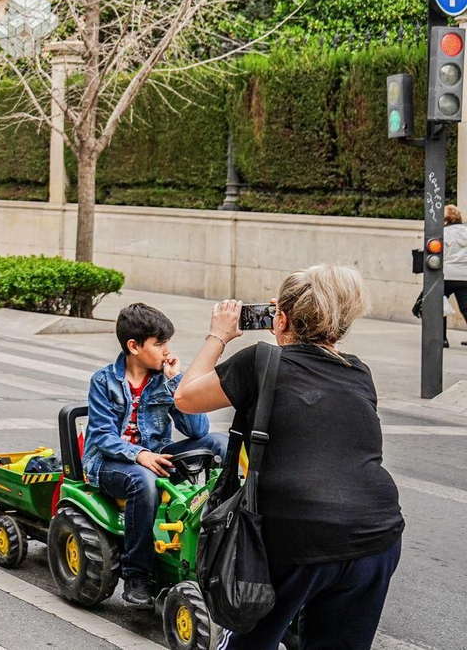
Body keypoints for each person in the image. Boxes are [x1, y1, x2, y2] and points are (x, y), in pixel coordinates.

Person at [175, 268, 404, 650]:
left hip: (296, 531)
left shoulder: (259, 361)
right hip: (377, 533)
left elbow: (185, 397)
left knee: (249, 641)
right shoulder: (358, 371)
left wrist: (219, 334)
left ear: (280, 319)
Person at [81, 303, 225, 608]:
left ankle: (224, 530)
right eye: (159, 344)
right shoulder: (104, 382)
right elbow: (102, 437)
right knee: (143, 480)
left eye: (167, 343)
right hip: (110, 464)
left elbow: (197, 430)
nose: (166, 350)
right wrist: (139, 454)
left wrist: (177, 383)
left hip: (157, 456)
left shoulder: (164, 379)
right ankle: (137, 574)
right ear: (134, 346)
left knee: (217, 443)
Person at [442, 204, 467, 344]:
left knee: (439, 305)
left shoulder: (442, 233)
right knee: (466, 307)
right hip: (465, 275)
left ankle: (442, 338)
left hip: (447, 274)